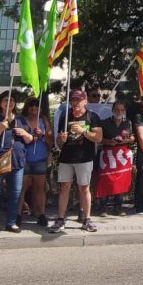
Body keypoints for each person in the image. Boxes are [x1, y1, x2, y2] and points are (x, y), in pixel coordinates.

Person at [50, 89, 103, 233]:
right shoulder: (65, 117)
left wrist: (83, 131)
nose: (75, 103)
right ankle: (60, 219)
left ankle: (86, 219)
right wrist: (61, 139)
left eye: (78, 100)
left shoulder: (92, 117)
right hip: (66, 158)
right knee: (64, 188)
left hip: (84, 158)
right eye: (73, 100)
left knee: (84, 188)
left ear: (85, 101)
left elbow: (98, 137)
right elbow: (58, 142)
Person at [0, 91, 29, 237]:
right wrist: (0, 128)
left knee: (15, 193)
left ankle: (11, 222)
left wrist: (24, 133)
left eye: (12, 100)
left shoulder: (20, 120)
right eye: (5, 100)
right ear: (0, 103)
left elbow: (29, 139)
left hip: (16, 160)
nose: (9, 103)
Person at [18, 97, 51, 226]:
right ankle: (18, 215)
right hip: (24, 158)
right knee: (22, 188)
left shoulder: (44, 120)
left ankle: (41, 214)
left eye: (37, 105)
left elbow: (50, 139)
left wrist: (42, 134)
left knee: (39, 188)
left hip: (40, 158)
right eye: (31, 105)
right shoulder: (21, 120)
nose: (34, 108)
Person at [97, 99, 134, 215]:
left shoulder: (127, 122)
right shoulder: (104, 123)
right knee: (105, 180)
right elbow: (99, 139)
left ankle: (118, 207)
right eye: (117, 109)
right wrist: (109, 141)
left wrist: (130, 139)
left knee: (120, 181)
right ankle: (103, 207)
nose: (119, 112)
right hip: (108, 155)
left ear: (124, 111)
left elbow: (131, 137)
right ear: (112, 110)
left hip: (122, 157)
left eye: (122, 110)